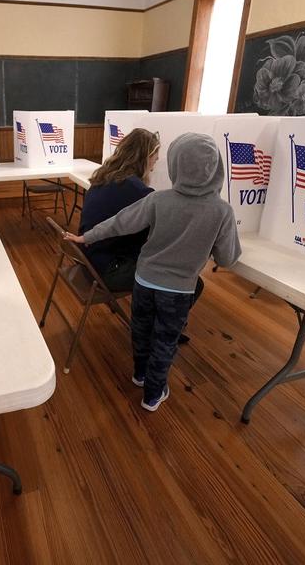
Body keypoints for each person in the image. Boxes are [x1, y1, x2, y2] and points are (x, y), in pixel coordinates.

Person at [66, 132, 241, 412]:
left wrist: (86, 238)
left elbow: (119, 223)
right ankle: (152, 396)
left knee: (141, 330)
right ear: (217, 167)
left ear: (174, 164)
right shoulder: (222, 211)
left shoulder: (158, 200)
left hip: (143, 281)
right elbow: (227, 258)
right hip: (179, 289)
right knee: (165, 342)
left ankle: (139, 374)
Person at [79, 128, 160, 292]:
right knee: (189, 280)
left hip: (86, 258)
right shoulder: (138, 191)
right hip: (108, 270)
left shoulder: (103, 175)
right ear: (145, 157)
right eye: (154, 156)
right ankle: (153, 316)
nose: (156, 160)